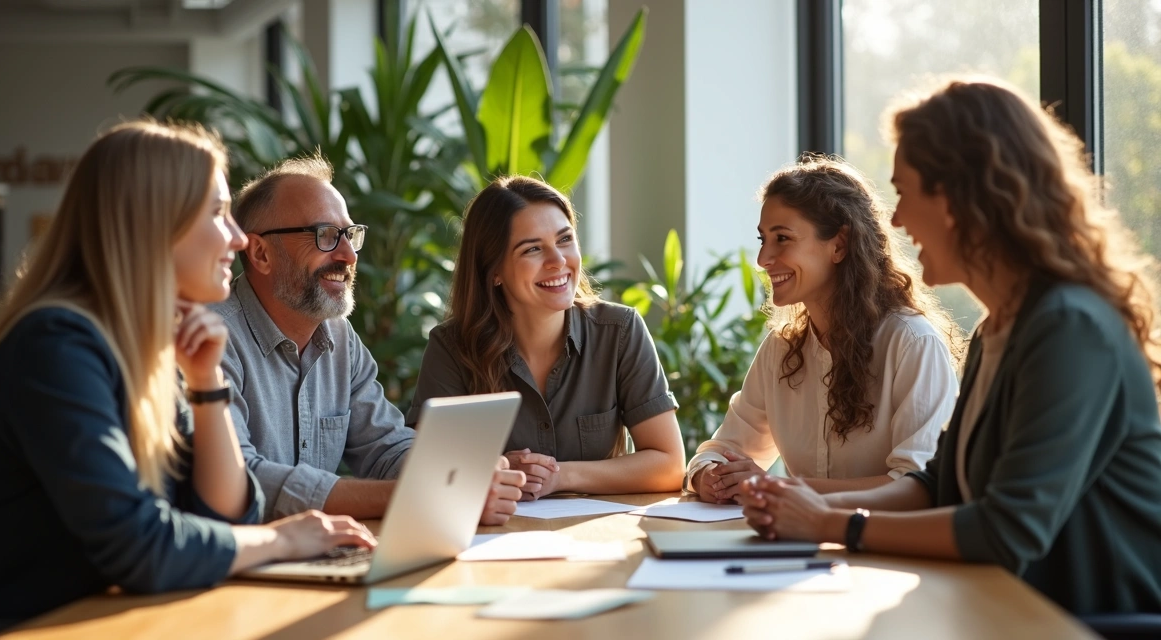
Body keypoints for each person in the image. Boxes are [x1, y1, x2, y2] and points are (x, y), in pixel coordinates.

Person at [738, 77, 1161, 615]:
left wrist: (830, 523)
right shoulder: (997, 328)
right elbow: (934, 485)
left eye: (905, 191)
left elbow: (1007, 529)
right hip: (1000, 609)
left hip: (1079, 623)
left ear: (961, 198)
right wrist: (801, 506)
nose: (896, 219)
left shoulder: (1071, 329)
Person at [0, 121, 375, 627]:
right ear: (153, 225)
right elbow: (141, 545)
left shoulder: (152, 351)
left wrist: (206, 383)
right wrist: (282, 539)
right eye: (217, 213)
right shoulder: (55, 345)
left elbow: (226, 515)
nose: (238, 238)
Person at [213, 157, 523, 524]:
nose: (348, 255)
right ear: (261, 254)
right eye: (325, 235)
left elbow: (387, 448)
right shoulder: (211, 340)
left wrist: (457, 476)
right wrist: (424, 496)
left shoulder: (339, 337)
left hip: (316, 551)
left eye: (350, 235)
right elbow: (243, 478)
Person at [686, 157, 960, 502]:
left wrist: (781, 489)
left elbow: (918, 487)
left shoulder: (912, 343)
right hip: (799, 535)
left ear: (839, 245)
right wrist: (711, 477)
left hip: (881, 540)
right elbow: (721, 450)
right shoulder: (781, 348)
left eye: (782, 238)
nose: (763, 259)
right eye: (762, 239)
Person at [407, 176, 685, 500]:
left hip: (599, 529)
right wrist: (493, 470)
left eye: (565, 239)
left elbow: (669, 465)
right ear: (494, 271)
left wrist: (558, 476)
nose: (558, 261)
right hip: (497, 530)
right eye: (533, 249)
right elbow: (426, 476)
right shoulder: (452, 348)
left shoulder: (620, 331)